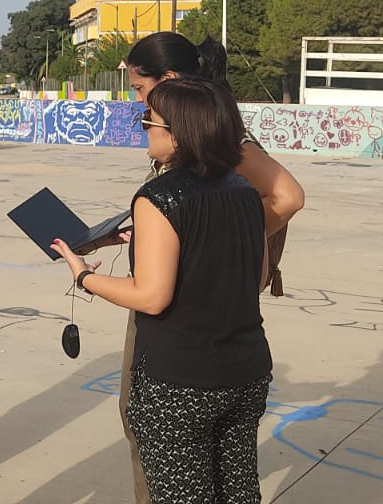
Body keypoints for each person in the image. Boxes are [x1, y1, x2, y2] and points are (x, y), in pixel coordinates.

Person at [54, 77, 273, 504]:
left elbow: (152, 297)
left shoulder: (159, 197)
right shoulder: (245, 190)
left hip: (180, 384)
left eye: (148, 121)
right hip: (245, 371)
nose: (144, 130)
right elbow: (257, 276)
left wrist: (84, 277)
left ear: (178, 132)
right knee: (239, 491)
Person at [113, 31, 305, 503]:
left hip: (184, 338)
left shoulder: (216, 139)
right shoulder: (203, 137)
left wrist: (216, 243)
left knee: (163, 443)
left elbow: (289, 197)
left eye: (141, 91)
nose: (140, 107)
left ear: (170, 82)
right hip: (231, 349)